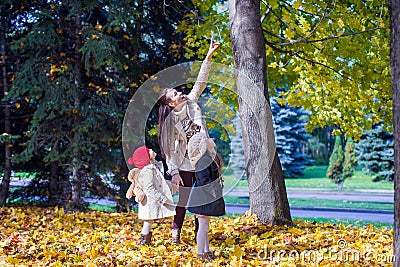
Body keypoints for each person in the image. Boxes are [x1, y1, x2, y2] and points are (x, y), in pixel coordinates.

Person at [158, 39, 220, 244]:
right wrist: (174, 172)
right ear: (170, 103)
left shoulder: (191, 103)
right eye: (175, 94)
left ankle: (198, 236)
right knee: (184, 200)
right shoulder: (171, 122)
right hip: (186, 163)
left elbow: (201, 81)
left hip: (203, 158)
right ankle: (176, 231)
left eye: (177, 91)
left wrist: (209, 55)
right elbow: (169, 149)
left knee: (202, 198)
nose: (180, 93)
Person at [186, 132, 225, 261]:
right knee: (202, 227)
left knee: (204, 226)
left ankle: (206, 251)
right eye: (206, 139)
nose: (210, 139)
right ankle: (200, 253)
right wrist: (214, 193)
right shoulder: (204, 160)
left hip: (205, 196)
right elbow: (204, 180)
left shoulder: (208, 157)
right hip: (203, 197)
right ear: (203, 144)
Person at [126, 146, 175, 245]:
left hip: (151, 201)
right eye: (148, 151)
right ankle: (144, 241)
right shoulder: (147, 171)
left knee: (149, 221)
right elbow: (150, 188)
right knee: (148, 221)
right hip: (149, 201)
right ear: (146, 157)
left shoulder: (152, 167)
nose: (152, 150)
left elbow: (160, 183)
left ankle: (145, 240)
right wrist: (161, 198)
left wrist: (171, 186)